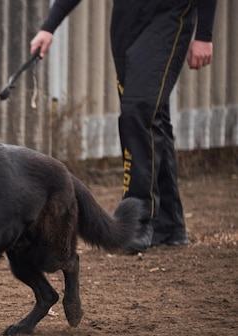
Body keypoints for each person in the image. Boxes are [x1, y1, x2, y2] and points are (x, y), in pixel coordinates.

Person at [30, 0, 217, 253]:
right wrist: (48, 26)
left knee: (138, 110)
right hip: (125, 21)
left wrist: (204, 34)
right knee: (151, 114)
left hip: (170, 15)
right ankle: (169, 224)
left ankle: (139, 218)